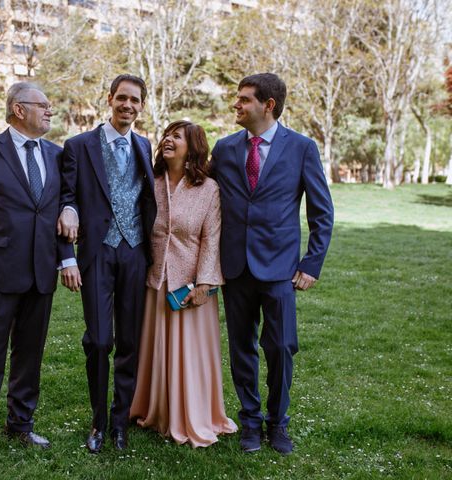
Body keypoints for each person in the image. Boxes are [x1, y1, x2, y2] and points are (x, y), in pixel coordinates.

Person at [209, 73, 334, 455]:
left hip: (280, 268)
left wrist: (311, 264)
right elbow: (203, 193)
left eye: (244, 99)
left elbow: (322, 211)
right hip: (234, 267)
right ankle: (250, 421)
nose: (236, 105)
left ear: (268, 105)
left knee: (281, 347)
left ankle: (279, 423)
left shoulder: (301, 148)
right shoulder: (226, 148)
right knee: (241, 348)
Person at [0, 82, 72, 472]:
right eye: (44, 104)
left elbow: (64, 202)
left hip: (41, 273)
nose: (50, 111)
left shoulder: (57, 155)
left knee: (30, 355)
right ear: (19, 109)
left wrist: (70, 212)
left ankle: (21, 424)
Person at [57, 74, 157, 453]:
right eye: (122, 98)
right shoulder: (79, 146)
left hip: (135, 253)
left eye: (135, 101)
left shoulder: (144, 146)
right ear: (109, 99)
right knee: (99, 341)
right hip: (96, 252)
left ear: (141, 106)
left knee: (130, 342)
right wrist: (67, 251)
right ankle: (97, 422)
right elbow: (66, 197)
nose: (128, 106)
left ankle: (120, 423)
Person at [129, 120, 238, 447]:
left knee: (190, 355)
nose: (168, 140)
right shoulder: (152, 183)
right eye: (167, 135)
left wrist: (204, 284)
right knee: (155, 350)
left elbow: (211, 238)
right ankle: (155, 411)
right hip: (156, 280)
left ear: (193, 146)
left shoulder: (208, 189)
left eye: (177, 136)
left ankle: (192, 415)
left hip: (190, 286)